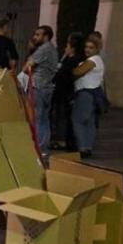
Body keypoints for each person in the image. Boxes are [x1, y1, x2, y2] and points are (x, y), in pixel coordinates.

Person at [24, 25, 58, 155]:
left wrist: (31, 53)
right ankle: (43, 147)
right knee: (44, 118)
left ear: (46, 36)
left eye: (38, 35)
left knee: (37, 117)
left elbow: (26, 68)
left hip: (38, 86)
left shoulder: (43, 49)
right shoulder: (53, 49)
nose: (35, 37)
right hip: (47, 87)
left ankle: (39, 147)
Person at [72, 35, 107, 159]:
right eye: (86, 47)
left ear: (97, 49)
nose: (87, 50)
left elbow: (77, 72)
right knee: (90, 122)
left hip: (86, 92)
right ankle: (87, 147)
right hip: (93, 94)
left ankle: (82, 147)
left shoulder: (93, 60)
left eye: (91, 47)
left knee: (78, 120)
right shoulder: (97, 60)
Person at [51, 32, 85, 151]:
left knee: (64, 117)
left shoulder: (74, 61)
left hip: (66, 92)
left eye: (68, 45)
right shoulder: (67, 59)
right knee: (61, 115)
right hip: (61, 91)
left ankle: (64, 140)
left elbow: (64, 75)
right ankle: (62, 139)